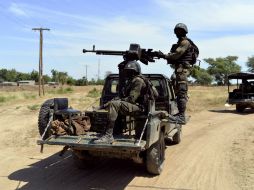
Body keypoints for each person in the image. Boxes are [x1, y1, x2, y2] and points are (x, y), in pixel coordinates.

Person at [94, 61, 147, 144]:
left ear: (135, 72)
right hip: (133, 106)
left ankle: (108, 136)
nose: (127, 73)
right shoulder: (131, 81)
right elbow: (124, 97)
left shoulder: (138, 81)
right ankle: (107, 132)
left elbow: (131, 99)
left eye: (129, 71)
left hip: (140, 108)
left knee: (114, 104)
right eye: (127, 71)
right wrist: (106, 105)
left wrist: (118, 101)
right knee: (113, 102)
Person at [158, 23, 198, 124]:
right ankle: (180, 113)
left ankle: (181, 116)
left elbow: (177, 54)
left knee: (181, 93)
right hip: (180, 70)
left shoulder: (185, 42)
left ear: (184, 32)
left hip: (182, 70)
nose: (177, 33)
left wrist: (164, 56)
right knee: (178, 91)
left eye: (179, 31)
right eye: (177, 31)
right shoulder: (182, 42)